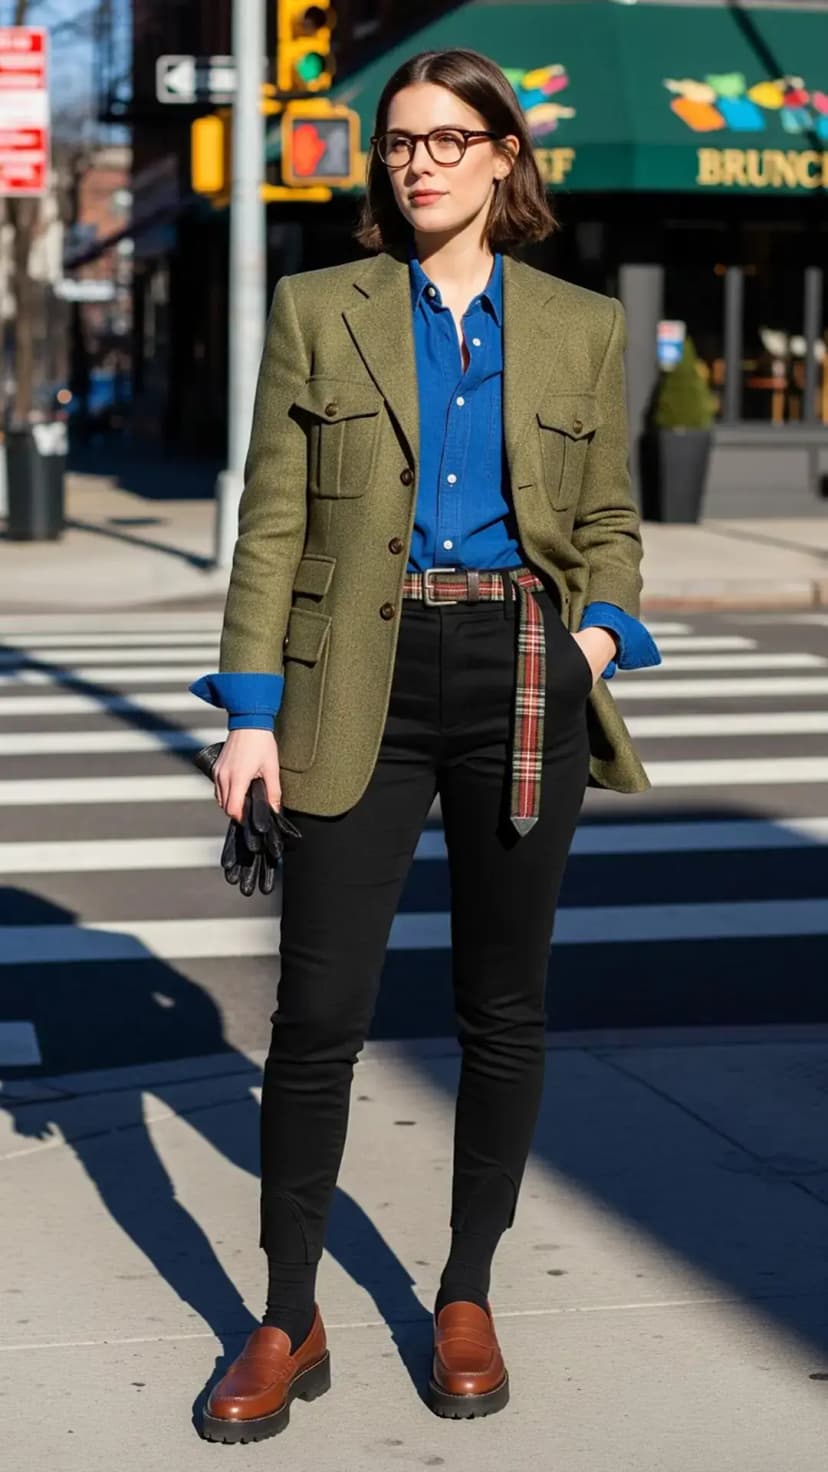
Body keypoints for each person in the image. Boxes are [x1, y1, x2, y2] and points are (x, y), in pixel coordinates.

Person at [189, 46, 662, 1443]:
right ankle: (287, 1315)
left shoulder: (579, 325)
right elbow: (273, 523)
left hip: (524, 675)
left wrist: (592, 644)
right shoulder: (319, 308)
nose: (422, 163)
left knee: (502, 1008)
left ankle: (465, 1288)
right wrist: (250, 716)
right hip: (357, 684)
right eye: (400, 143)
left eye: (451, 140)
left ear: (505, 156)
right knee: (318, 1020)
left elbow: (615, 527)